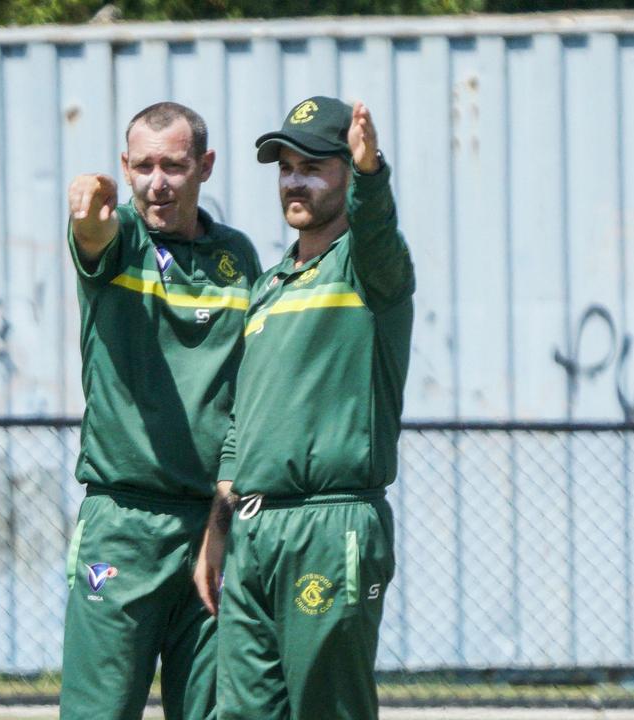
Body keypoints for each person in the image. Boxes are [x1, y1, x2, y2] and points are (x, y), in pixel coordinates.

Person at [194, 96, 415, 719]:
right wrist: (218, 530)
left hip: (330, 523)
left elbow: (376, 228)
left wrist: (374, 178)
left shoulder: (369, 269)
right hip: (254, 530)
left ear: (347, 170)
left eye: (314, 165)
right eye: (285, 166)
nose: (295, 179)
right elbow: (244, 418)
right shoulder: (267, 286)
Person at [61, 101, 262, 720]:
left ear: (205, 166)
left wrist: (225, 521)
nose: (156, 182)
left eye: (173, 165)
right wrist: (87, 213)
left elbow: (251, 390)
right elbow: (91, 236)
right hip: (124, 523)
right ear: (126, 167)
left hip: (211, 528)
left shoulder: (239, 258)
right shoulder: (118, 240)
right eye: (142, 166)